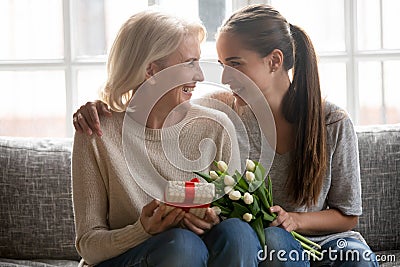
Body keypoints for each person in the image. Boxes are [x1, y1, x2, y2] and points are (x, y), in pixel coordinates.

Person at [73, 4, 379, 267]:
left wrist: (291, 220)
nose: (210, 77)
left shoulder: (329, 122)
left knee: (337, 252)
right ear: (152, 70)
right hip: (264, 240)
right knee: (263, 241)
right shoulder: (220, 113)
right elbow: (154, 107)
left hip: (320, 240)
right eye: (198, 63)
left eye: (234, 64)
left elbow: (347, 213)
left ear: (274, 62)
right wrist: (104, 106)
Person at [71, 9, 265, 267]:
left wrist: (212, 219)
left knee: (239, 234)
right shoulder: (96, 132)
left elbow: (237, 215)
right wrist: (143, 229)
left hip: (199, 253)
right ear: (151, 72)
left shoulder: (216, 126)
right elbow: (89, 246)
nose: (200, 76)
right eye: (189, 63)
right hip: (129, 259)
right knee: (183, 245)